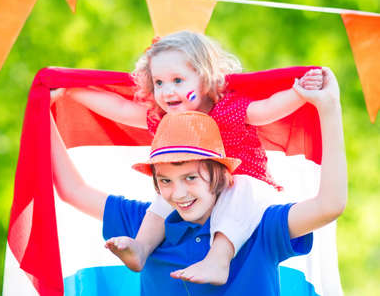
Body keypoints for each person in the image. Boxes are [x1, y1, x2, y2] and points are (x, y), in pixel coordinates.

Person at [50, 30, 324, 285]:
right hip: (195, 190)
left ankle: (219, 258)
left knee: (240, 189)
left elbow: (266, 110)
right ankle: (141, 247)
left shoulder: (228, 109)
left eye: (178, 80)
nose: (168, 91)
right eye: (159, 83)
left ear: (205, 78)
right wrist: (69, 89)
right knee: (164, 198)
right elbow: (121, 108)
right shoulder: (166, 119)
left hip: (243, 181)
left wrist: (299, 93)